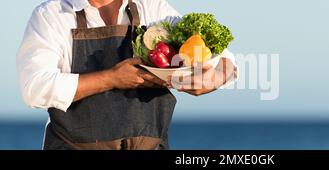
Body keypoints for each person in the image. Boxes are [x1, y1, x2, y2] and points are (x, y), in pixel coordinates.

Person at [16, 0, 237, 150]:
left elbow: (224, 60)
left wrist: (213, 79)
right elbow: (35, 88)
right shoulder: (52, 15)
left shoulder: (152, 9)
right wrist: (112, 78)